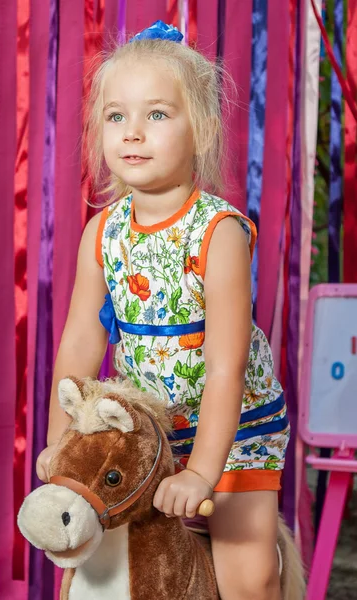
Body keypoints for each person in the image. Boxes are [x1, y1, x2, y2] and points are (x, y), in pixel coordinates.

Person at [35, 20, 290, 600]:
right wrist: (61, 441)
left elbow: (225, 367)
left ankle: (264, 562)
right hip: (154, 431)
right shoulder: (102, 232)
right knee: (122, 569)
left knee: (247, 576)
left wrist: (203, 471)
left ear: (198, 129)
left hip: (238, 427)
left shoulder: (219, 232)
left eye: (156, 115)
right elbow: (79, 345)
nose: (133, 133)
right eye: (115, 116)